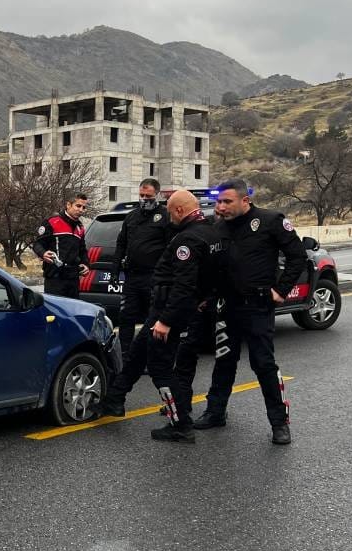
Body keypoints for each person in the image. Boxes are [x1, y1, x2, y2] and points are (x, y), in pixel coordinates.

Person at [106, 191, 225, 443]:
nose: (169, 217)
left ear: (179, 211)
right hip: (170, 309)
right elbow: (214, 274)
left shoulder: (188, 240)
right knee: (138, 351)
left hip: (169, 311)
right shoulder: (212, 233)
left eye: (171, 212)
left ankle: (180, 423)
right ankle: (114, 400)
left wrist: (166, 320)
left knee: (160, 367)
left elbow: (183, 285)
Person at [194, 179, 305, 445]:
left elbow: (297, 256)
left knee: (264, 365)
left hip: (257, 306)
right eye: (219, 202)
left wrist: (280, 290)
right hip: (226, 305)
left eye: (226, 201)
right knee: (223, 361)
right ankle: (215, 411)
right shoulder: (218, 227)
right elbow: (211, 266)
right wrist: (204, 296)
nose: (221, 207)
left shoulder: (270, 221)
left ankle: (279, 423)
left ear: (245, 201)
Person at [106, 178, 172, 361]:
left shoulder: (165, 216)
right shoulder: (131, 216)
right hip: (132, 278)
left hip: (154, 278)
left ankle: (152, 357)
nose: (144, 199)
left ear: (157, 195)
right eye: (141, 195)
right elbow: (121, 245)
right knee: (126, 317)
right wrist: (114, 271)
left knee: (152, 319)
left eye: (148, 196)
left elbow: (170, 247)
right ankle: (126, 356)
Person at [31, 192, 91, 298]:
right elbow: (37, 244)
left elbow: (82, 250)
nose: (81, 210)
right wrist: (43, 253)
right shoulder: (52, 222)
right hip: (55, 277)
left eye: (84, 207)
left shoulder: (80, 228)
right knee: (54, 312)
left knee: (72, 311)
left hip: (73, 278)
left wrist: (86, 264)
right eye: (78, 206)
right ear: (68, 205)